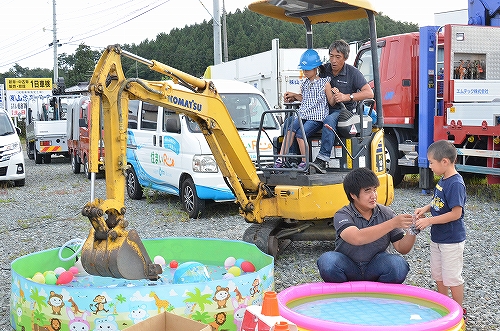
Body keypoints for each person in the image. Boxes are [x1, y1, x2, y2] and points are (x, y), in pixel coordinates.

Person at [284, 40, 374, 171]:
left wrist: (347, 97)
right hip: (319, 110)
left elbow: (369, 93)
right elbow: (313, 93)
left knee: (329, 120)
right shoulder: (323, 70)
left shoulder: (353, 73)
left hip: (342, 111)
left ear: (345, 58)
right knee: (290, 121)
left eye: (338, 57)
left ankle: (322, 159)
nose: (334, 60)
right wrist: (296, 97)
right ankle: (292, 158)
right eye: (331, 56)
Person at [317, 167, 416, 283]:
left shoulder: (386, 213)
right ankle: (344, 295)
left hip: (376, 266)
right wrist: (393, 223)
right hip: (348, 266)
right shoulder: (342, 214)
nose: (373, 195)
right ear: (353, 194)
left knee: (398, 265)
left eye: (375, 190)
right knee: (327, 261)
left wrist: (413, 229)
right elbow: (356, 238)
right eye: (367, 191)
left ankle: (378, 294)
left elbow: (402, 248)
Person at [413, 140, 467, 318]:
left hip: (451, 239)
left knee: (452, 277)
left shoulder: (456, 183)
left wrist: (429, 221)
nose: (429, 166)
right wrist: (426, 208)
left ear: (444, 161)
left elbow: (455, 214)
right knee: (438, 274)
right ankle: (445, 306)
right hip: (438, 238)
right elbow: (438, 201)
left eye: (431, 162)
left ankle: (458, 310)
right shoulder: (443, 179)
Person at [275, 49, 334, 170]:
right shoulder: (305, 84)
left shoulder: (325, 83)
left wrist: (337, 95)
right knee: (290, 130)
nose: (305, 72)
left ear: (316, 68)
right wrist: (294, 96)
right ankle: (281, 158)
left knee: (301, 135)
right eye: (303, 69)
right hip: (303, 114)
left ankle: (304, 161)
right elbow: (305, 99)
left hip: (316, 117)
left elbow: (331, 101)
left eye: (307, 69)